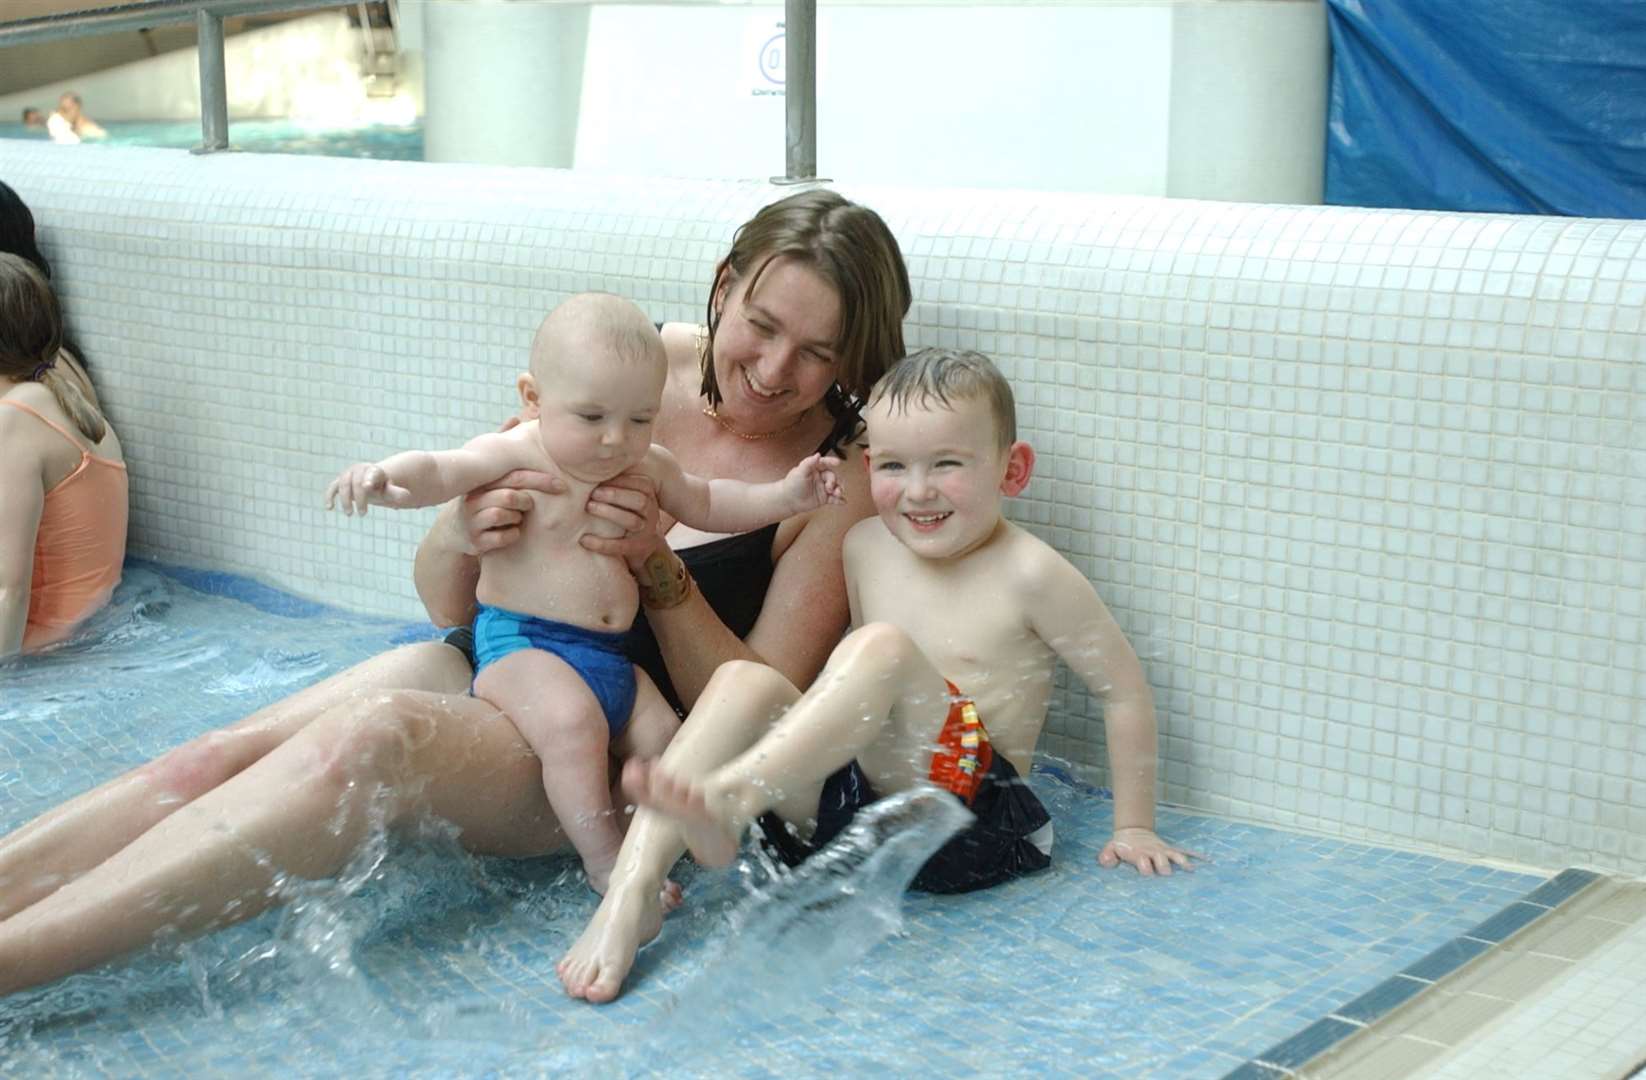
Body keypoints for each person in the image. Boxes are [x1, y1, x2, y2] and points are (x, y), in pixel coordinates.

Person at [0, 189, 910, 997]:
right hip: (505, 658)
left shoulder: (835, 474)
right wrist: (462, 531)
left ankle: (18, 963)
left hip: (616, 746)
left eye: (817, 353)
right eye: (763, 323)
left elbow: (763, 718)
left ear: (848, 364)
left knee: (372, 740)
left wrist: (658, 571)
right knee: (212, 755)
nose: (774, 367)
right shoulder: (625, 369)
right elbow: (447, 599)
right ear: (723, 287)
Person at [559, 348, 1195, 1003]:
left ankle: (730, 801)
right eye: (894, 466)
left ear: (1012, 468)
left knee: (881, 648)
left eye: (947, 463)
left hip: (977, 821)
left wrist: (1135, 825)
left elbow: (1122, 691)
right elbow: (853, 703)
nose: (919, 490)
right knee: (741, 683)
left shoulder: (1030, 573)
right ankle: (631, 895)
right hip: (861, 825)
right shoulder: (864, 546)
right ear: (870, 467)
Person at [325, 292, 843, 892]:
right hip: (523, 647)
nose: (615, 439)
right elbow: (440, 470)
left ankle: (690, 836)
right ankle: (605, 863)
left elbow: (714, 502)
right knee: (572, 727)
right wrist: (385, 478)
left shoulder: (648, 466)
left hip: (609, 659)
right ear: (534, 399)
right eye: (592, 418)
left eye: (640, 419)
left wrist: (789, 495)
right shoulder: (516, 451)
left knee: (667, 740)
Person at [0, 254, 127, 658]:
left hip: (40, 649)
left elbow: (8, 589)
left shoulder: (15, 421)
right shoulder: (70, 403)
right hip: (88, 634)